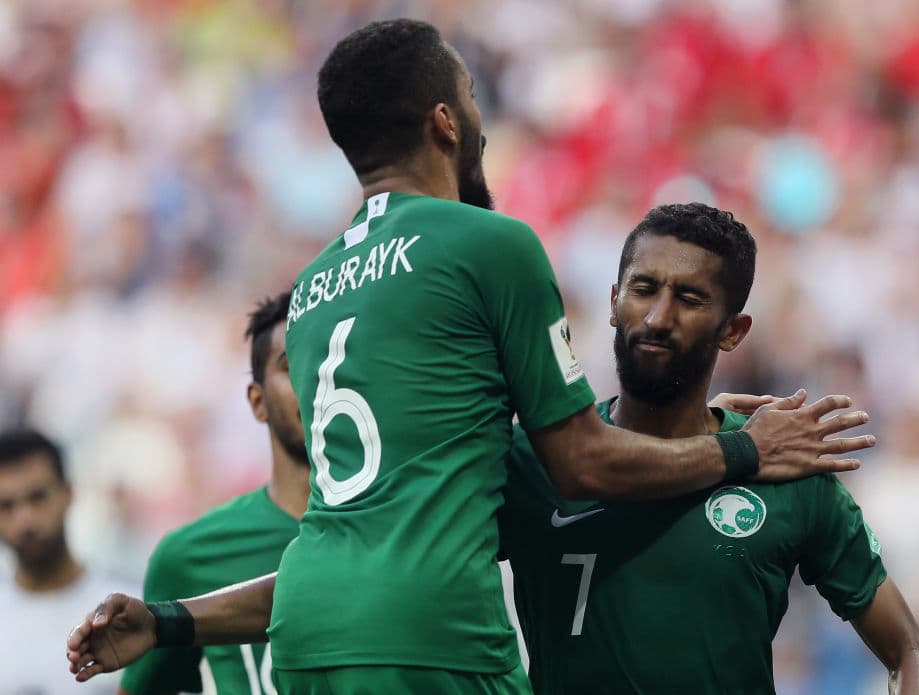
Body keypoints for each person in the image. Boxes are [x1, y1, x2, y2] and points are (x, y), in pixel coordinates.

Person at [67, 19, 876, 695]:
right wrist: (741, 449)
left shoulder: (313, 289)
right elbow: (582, 461)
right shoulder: (492, 244)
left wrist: (172, 618)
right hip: (433, 632)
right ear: (446, 122)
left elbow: (378, 515)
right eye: (474, 99)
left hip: (310, 631)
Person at [499, 203, 919, 695]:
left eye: (689, 299)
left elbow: (910, 651)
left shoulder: (786, 466)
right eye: (643, 289)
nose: (657, 317)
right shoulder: (534, 460)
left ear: (733, 330)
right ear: (612, 301)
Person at [117, 292, 307, 695]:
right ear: (258, 401)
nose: (317, 381)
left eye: (330, 362)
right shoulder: (189, 559)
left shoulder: (405, 529)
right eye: (293, 366)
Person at [0, 427, 136, 694]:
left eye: (37, 497)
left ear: (68, 492)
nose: (25, 520)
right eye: (6, 506)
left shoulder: (129, 611)